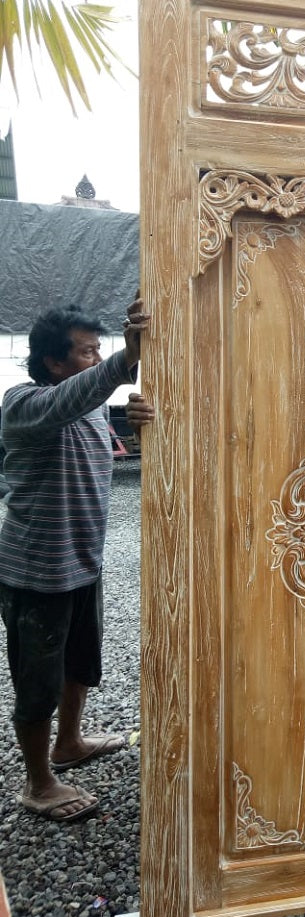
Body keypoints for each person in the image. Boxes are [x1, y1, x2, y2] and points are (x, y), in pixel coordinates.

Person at [0, 296, 150, 822]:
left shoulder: (87, 406)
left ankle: (71, 743)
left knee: (81, 661)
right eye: (86, 353)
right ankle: (38, 784)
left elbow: (100, 435)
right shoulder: (21, 404)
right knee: (37, 681)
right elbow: (67, 402)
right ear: (53, 363)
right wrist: (123, 362)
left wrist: (140, 426)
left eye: (98, 350)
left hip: (84, 560)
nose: (96, 359)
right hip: (35, 572)